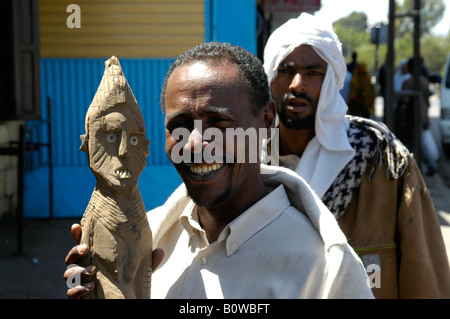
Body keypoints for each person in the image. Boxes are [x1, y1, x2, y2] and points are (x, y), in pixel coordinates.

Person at [64, 41, 373, 299]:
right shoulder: (148, 238)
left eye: (220, 123)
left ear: (266, 121)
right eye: (180, 126)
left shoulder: (324, 267)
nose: (196, 144)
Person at [263, 12, 450, 299]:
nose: (297, 84)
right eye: (286, 70)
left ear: (331, 80)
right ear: (270, 77)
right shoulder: (244, 164)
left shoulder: (382, 162)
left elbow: (423, 274)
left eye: (314, 73)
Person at [398, 58, 438, 175]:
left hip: (411, 117)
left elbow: (404, 103)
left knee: (415, 143)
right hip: (421, 116)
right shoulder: (425, 81)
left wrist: (401, 119)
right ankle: (408, 166)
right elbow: (428, 102)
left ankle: (430, 164)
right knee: (414, 142)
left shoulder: (408, 82)